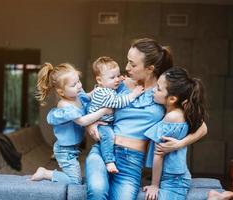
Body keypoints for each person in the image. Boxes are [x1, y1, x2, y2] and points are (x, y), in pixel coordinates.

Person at [85, 38, 208, 200]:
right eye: (128, 61)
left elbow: (202, 127)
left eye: (133, 64)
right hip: (103, 151)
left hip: (131, 164)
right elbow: (86, 103)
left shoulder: (163, 93)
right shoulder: (118, 84)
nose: (127, 67)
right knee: (97, 190)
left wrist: (178, 144)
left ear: (149, 68)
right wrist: (91, 123)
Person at [30, 63, 111, 184]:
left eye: (78, 81)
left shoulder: (77, 94)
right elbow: (82, 121)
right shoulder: (65, 105)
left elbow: (88, 96)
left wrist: (100, 90)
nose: (79, 86)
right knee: (75, 181)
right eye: (74, 85)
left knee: (75, 177)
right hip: (64, 150)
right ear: (61, 92)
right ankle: (45, 173)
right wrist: (104, 110)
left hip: (73, 148)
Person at [143, 67, 208, 200]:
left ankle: (211, 197)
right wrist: (180, 144)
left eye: (159, 89)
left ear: (172, 99)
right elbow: (204, 128)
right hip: (174, 177)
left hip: (173, 180)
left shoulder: (172, 117)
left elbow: (159, 153)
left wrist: (154, 185)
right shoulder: (183, 111)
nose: (154, 90)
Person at [88, 56, 144, 173]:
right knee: (109, 137)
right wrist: (133, 94)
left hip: (105, 122)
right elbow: (117, 102)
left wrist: (119, 81)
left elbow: (115, 91)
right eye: (112, 77)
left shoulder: (107, 88)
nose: (117, 79)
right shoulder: (103, 93)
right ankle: (109, 162)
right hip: (102, 124)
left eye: (118, 75)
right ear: (99, 80)